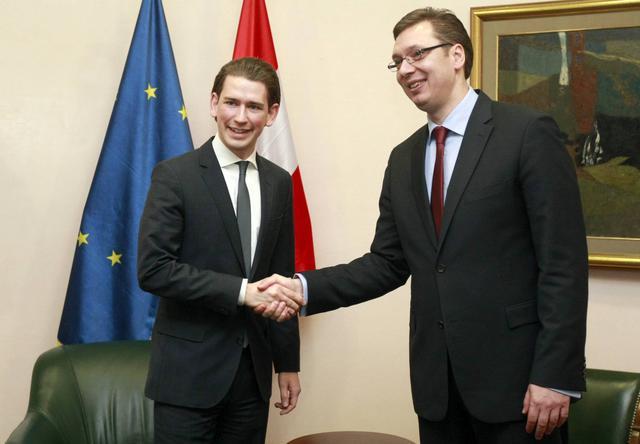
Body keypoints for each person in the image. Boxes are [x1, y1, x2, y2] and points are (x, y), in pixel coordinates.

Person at [258, 8, 588, 443]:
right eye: (397, 61)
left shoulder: (526, 133)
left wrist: (555, 375)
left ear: (457, 55)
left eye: (417, 54)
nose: (405, 69)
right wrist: (303, 288)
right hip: (438, 392)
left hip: (520, 388)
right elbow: (387, 263)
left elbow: (563, 263)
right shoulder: (404, 158)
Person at [138, 57, 304, 444]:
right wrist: (242, 292)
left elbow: (281, 277)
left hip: (252, 377)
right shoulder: (175, 176)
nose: (240, 117)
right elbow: (154, 269)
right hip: (186, 376)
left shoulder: (279, 183)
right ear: (214, 104)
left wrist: (287, 363)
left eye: (254, 106)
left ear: (271, 114)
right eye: (231, 103)